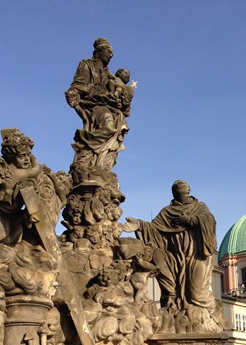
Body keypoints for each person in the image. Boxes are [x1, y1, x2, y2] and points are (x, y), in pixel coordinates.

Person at [124, 180, 217, 314]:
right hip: (176, 258)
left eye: (184, 190)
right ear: (174, 194)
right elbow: (154, 228)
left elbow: (209, 221)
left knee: (196, 294)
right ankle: (172, 299)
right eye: (178, 190)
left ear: (189, 190)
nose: (182, 192)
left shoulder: (199, 207)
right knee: (157, 255)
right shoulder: (168, 212)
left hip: (197, 256)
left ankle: (211, 314)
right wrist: (139, 224)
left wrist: (189, 220)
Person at [65, 37, 130, 171]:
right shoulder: (87, 64)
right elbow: (78, 85)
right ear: (98, 51)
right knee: (109, 127)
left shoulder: (109, 74)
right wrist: (73, 93)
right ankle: (86, 153)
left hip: (108, 105)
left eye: (111, 52)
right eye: (108, 51)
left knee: (119, 121)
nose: (110, 55)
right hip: (93, 104)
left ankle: (102, 164)